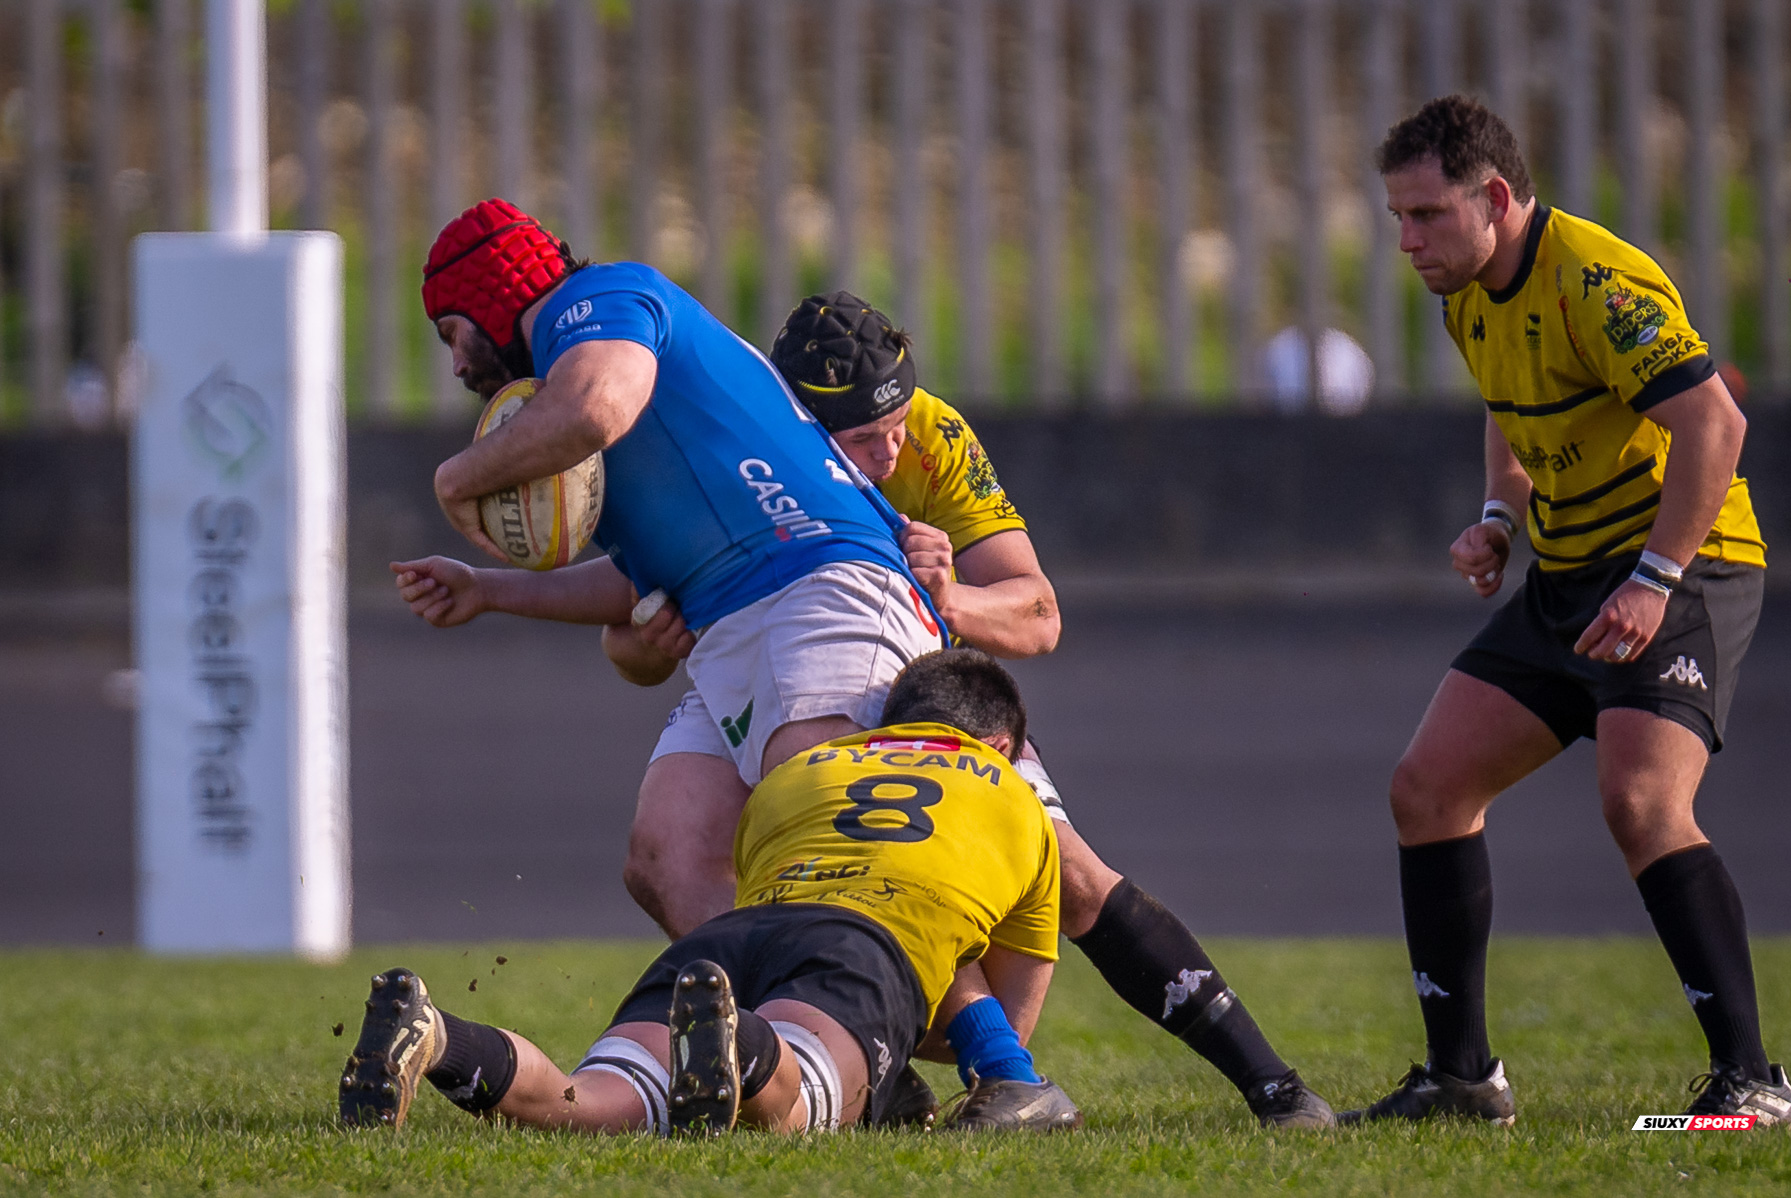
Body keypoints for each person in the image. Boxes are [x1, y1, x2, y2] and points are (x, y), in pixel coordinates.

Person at [601, 292, 1334, 1128]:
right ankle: (849, 1067)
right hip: (745, 655)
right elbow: (623, 637)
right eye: (864, 439)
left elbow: (1038, 614)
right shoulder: (735, 445)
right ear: (792, 427)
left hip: (900, 656)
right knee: (666, 857)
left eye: (899, 419)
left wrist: (950, 595)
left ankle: (1271, 1084)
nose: (893, 445)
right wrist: (639, 640)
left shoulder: (935, 437)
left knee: (1073, 879)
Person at [395, 207, 1061, 1126]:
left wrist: (455, 480)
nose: (460, 362)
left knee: (830, 845)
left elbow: (598, 404)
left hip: (825, 585)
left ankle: (1008, 1070)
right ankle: (804, 1065)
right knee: (668, 855)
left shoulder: (596, 302)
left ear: (495, 297)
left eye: (453, 332)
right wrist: (485, 588)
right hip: (737, 622)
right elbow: (634, 578)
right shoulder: (581, 400)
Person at [1345, 95, 1791, 1127]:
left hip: (1687, 565)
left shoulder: (1595, 277)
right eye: (1398, 219)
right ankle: (1462, 1079)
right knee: (1429, 787)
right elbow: (1512, 410)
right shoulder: (1467, 289)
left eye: (1427, 216)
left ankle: (1756, 1082)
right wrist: (1501, 516)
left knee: (1640, 803)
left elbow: (1714, 423)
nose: (1409, 241)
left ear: (1496, 198)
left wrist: (1654, 578)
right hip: (1572, 574)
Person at [339, 649, 1080, 1135]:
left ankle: (436, 1035)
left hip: (732, 940)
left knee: (585, 1108)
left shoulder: (800, 771)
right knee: (790, 1106)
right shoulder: (1018, 803)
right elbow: (1005, 1025)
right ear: (1005, 747)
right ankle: (743, 1044)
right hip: (862, 955)